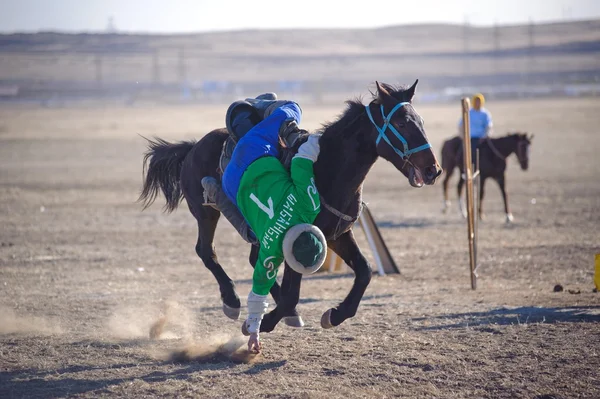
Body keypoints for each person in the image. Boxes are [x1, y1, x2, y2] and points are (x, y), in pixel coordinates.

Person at [201, 95, 327, 353]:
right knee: (250, 232)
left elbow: (303, 161)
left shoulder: (309, 206)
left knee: (293, 108)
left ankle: (257, 105)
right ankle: (215, 193)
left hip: (255, 151)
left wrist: (318, 141)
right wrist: (254, 333)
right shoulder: (272, 251)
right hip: (232, 182)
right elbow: (258, 292)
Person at [458, 93, 493, 165]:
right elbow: (461, 125)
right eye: (476, 101)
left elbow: (489, 126)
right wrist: (463, 137)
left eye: (479, 101)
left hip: (482, 138)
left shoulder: (485, 113)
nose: (478, 103)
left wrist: (485, 136)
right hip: (470, 138)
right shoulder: (469, 112)